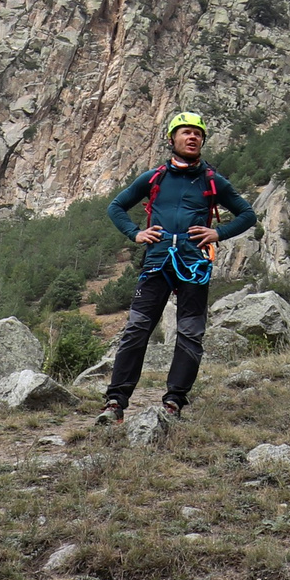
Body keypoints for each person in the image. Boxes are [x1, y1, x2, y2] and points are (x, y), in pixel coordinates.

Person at [95, 110, 259, 424]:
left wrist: (218, 232)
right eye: (185, 132)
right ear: (172, 139)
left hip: (194, 264)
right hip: (157, 262)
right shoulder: (154, 177)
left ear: (202, 141)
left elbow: (247, 214)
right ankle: (115, 401)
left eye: (197, 133)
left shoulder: (212, 180)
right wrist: (135, 233)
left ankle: (174, 401)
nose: (192, 137)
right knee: (136, 329)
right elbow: (116, 207)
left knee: (190, 333)